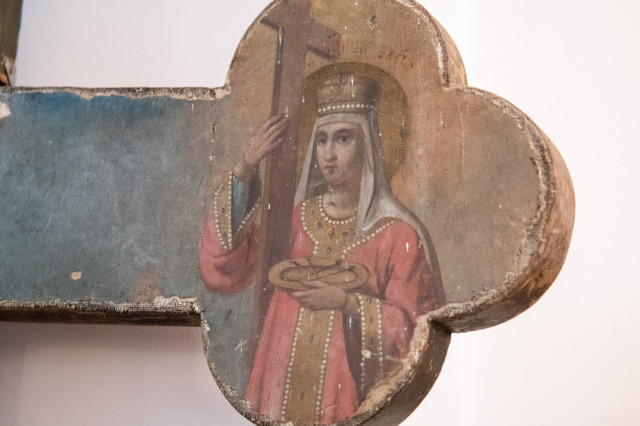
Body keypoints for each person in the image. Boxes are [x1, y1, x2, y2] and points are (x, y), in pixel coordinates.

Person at [199, 75, 442, 425]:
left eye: (343, 138)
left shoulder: (398, 235)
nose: (328, 154)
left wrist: (347, 303)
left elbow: (415, 332)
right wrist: (246, 169)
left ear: (368, 144)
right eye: (322, 140)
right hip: (276, 391)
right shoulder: (295, 219)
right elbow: (226, 264)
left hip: (348, 402)